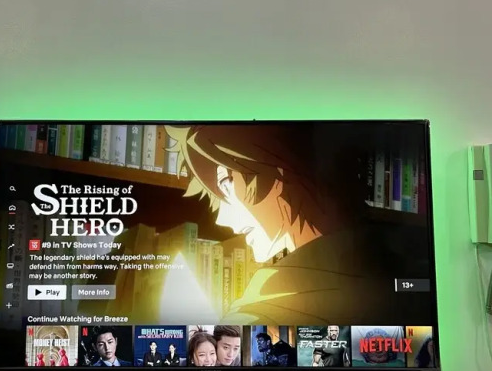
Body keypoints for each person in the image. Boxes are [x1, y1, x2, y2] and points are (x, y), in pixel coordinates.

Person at [164, 123, 429, 326]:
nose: (222, 218)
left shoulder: (262, 314)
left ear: (278, 171)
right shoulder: (403, 269)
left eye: (226, 183)